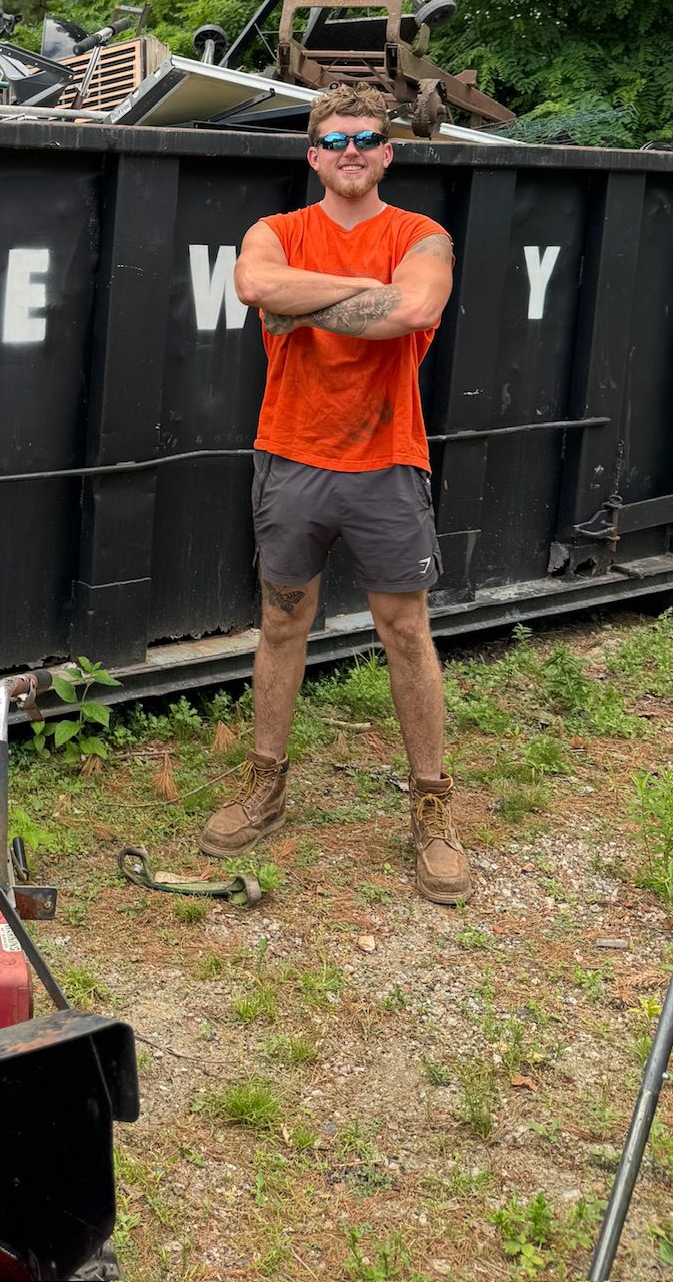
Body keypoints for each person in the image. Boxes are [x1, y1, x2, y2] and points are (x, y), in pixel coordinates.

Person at [198, 82, 472, 905]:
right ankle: (266, 786)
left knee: (405, 631)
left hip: (389, 461)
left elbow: (416, 304)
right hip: (292, 460)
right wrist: (355, 301)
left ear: (389, 152)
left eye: (368, 138)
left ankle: (432, 809)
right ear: (313, 156)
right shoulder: (273, 230)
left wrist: (302, 301)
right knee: (283, 622)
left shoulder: (420, 234)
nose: (352, 152)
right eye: (336, 140)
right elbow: (255, 288)